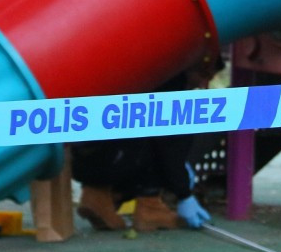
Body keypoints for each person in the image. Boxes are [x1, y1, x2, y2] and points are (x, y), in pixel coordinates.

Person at [73, 58, 222, 232]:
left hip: (83, 156)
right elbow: (169, 148)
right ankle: (150, 206)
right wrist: (184, 194)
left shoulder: (140, 66)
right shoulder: (170, 83)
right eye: (204, 76)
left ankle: (99, 194)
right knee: (166, 139)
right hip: (118, 157)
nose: (203, 83)